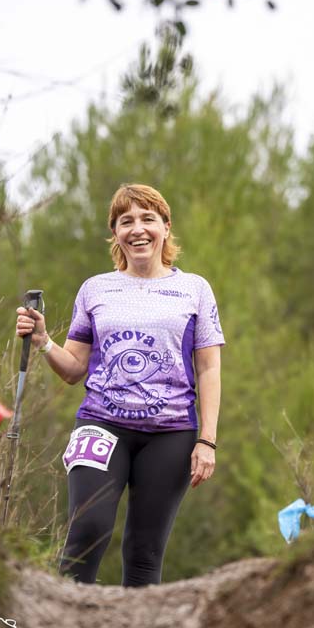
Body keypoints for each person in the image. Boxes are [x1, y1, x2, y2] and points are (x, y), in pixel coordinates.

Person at [16, 183, 224, 586]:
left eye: (148, 219)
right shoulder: (95, 289)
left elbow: (209, 368)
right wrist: (42, 341)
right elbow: (74, 369)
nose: (138, 229)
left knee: (145, 551)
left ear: (166, 227)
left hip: (170, 433)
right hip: (100, 424)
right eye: (126, 221)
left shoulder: (194, 289)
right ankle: (68, 621)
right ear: (115, 232)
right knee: (87, 532)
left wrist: (208, 440)